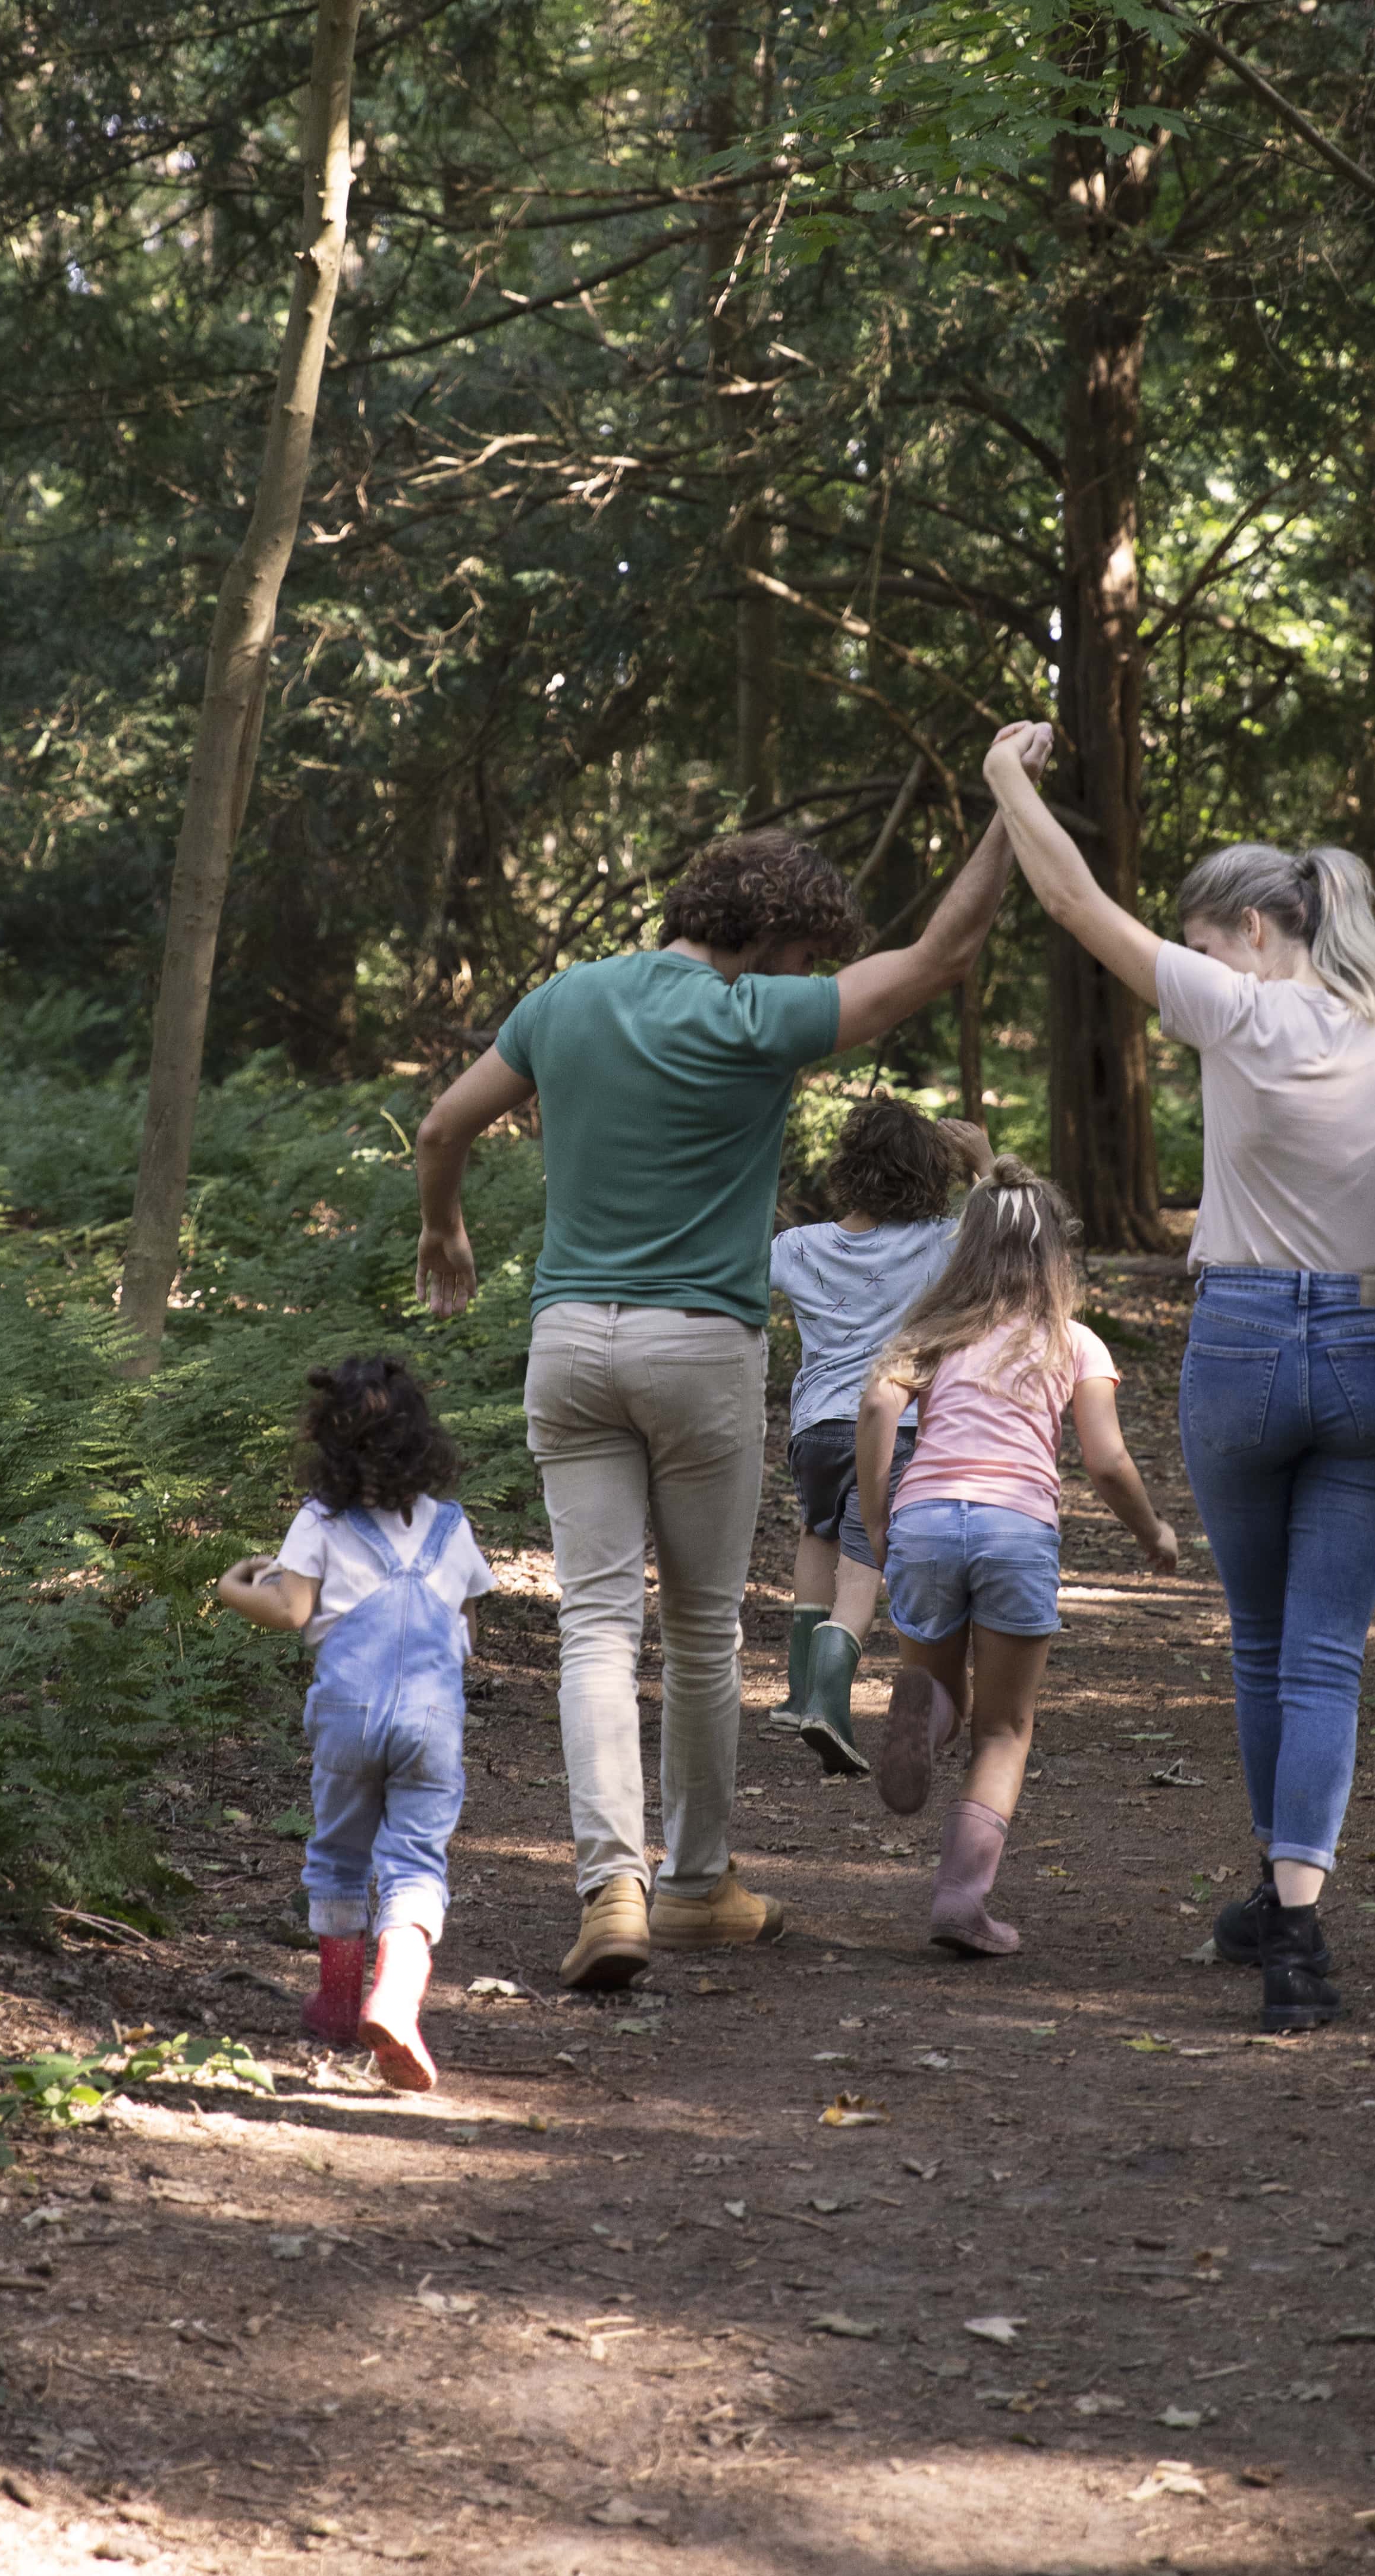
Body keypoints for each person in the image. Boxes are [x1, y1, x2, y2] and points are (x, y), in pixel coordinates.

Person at [413, 813, 1020, 1995]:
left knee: (595, 1622)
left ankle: (608, 1892)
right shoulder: (756, 1015)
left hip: (569, 1342)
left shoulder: (563, 1001)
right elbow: (944, 952)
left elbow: (441, 1125)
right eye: (804, 958)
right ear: (776, 940)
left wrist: (443, 1230)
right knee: (696, 1627)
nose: (806, 983)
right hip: (699, 1349)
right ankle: (693, 1887)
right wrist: (1004, 806)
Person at [980, 719, 1375, 2033]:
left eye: (1200, 940)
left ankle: (1272, 1894)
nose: (1190, 965)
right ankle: (1295, 1927)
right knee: (1324, 1654)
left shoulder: (1240, 1011)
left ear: (1256, 930)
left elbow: (1073, 900)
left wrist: (1001, 781)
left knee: (1260, 1642)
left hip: (1244, 1345)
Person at [855, 1157, 1179, 1957]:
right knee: (1003, 1727)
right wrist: (1153, 1534)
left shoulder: (931, 1335)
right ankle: (961, 1904)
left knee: (936, 1690)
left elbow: (874, 1402)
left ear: (967, 1252)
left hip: (925, 1520)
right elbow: (1106, 1461)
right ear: (1055, 1259)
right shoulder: (1074, 1343)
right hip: (1015, 1528)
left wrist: (877, 1518)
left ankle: (917, 1735)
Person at [215, 1354, 491, 2093]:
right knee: (415, 1862)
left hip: (347, 1717)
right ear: (423, 1443)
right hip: (432, 1722)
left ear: (327, 1446)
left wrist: (231, 1585)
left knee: (339, 1851)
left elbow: (290, 1610)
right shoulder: (453, 1527)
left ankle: (338, 2004)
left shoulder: (319, 1522)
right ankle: (396, 1999)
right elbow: (467, 1628)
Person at [764, 1097, 993, 1775]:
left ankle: (799, 1686)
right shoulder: (937, 1243)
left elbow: (737, 1277)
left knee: (816, 1533)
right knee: (864, 1568)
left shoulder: (797, 1247)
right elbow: (1005, 1233)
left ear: (848, 1168)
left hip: (813, 1429)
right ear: (927, 1172)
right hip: (891, 1428)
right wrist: (984, 1161)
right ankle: (829, 1705)